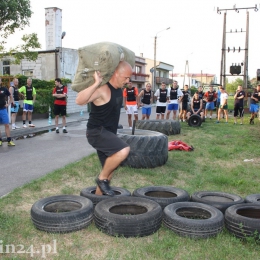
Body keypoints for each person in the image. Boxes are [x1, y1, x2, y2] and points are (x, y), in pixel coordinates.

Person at [75, 61, 132, 196]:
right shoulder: (102, 89)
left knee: (108, 173)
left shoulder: (119, 89)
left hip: (108, 133)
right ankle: (101, 179)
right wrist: (95, 83)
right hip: (96, 132)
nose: (128, 81)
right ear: (116, 74)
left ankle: (97, 202)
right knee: (123, 150)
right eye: (126, 78)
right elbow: (79, 101)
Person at [0, 78, 15, 146]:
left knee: (7, 125)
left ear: (1, 82)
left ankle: (9, 140)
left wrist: (8, 104)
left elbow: (11, 97)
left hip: (3, 109)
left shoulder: (4, 89)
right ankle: (0, 140)